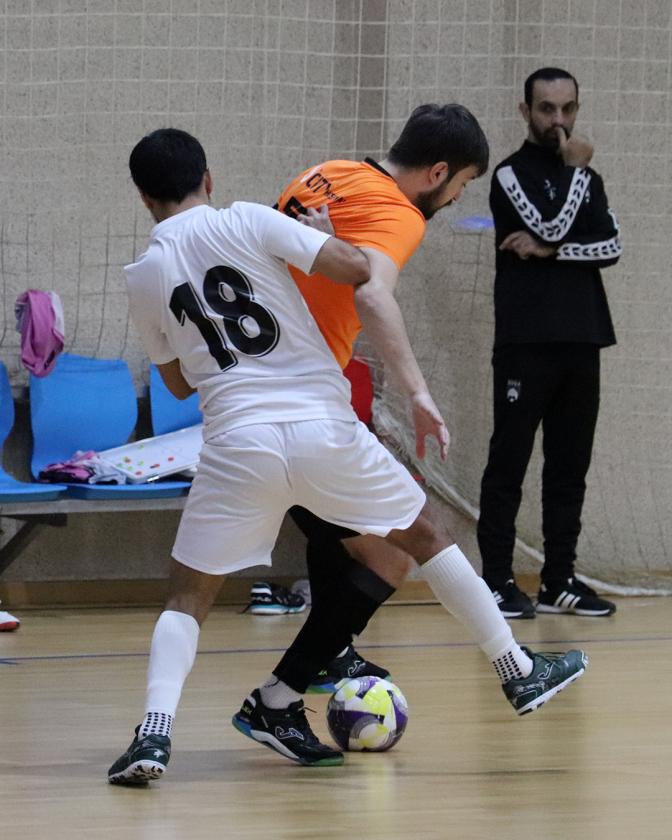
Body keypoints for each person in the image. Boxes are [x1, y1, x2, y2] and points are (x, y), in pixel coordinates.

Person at [108, 127, 587, 784]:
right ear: (209, 179)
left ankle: (154, 735)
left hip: (238, 442)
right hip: (320, 427)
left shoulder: (144, 275)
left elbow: (178, 384)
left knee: (187, 597)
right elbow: (358, 271)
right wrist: (326, 237)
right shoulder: (247, 218)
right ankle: (515, 668)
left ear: (142, 196)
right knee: (424, 538)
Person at [271, 104, 490, 694]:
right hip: (300, 400)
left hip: (255, 388)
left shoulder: (325, 173)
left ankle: (328, 659)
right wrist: (419, 392)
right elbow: (373, 294)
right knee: (399, 550)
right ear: (438, 172)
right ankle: (286, 689)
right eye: (463, 185)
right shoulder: (401, 213)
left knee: (334, 534)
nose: (455, 199)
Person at [477, 68, 622, 620]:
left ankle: (558, 580)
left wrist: (550, 251)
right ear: (526, 112)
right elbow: (555, 225)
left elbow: (610, 246)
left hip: (583, 335)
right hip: (527, 339)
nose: (559, 120)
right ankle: (495, 581)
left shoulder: (590, 179)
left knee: (569, 465)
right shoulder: (509, 175)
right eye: (546, 108)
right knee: (509, 461)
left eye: (568, 108)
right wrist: (574, 178)